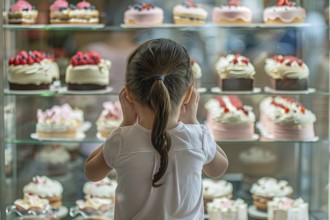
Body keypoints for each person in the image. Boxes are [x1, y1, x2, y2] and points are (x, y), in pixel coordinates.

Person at [84, 38, 228, 220]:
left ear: (128, 93)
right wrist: (192, 120)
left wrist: (126, 122)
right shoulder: (197, 137)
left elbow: (91, 172)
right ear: (189, 94)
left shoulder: (122, 139)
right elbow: (219, 169)